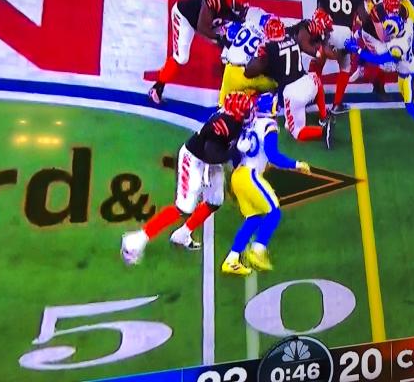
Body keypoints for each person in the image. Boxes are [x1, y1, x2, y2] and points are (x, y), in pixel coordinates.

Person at [121, 92, 253, 265]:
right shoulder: (223, 125)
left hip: (210, 158)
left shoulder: (231, 118)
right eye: (245, 111)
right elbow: (212, 155)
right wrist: (235, 151)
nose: (248, 114)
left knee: (215, 200)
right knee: (183, 207)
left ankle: (182, 235)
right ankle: (135, 240)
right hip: (194, 159)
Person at [222, 92, 311, 275]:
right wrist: (296, 164)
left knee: (253, 218)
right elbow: (273, 155)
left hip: (238, 175)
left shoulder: (249, 123)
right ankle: (258, 250)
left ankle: (231, 259)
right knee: (274, 212)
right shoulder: (269, 125)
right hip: (250, 175)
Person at [148, 0, 250, 103]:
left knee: (230, 50)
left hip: (212, 22)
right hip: (187, 18)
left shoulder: (233, 6)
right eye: (239, 4)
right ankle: (157, 87)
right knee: (181, 58)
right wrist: (220, 39)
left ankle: (230, 92)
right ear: (231, 0)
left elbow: (238, 24)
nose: (242, 7)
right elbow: (202, 27)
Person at [246, 15, 334, 148]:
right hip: (309, 83)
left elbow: (250, 72)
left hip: (293, 93)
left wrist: (258, 57)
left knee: (297, 133)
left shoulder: (269, 48)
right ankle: (324, 115)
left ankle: (322, 131)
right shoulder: (292, 39)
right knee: (315, 78)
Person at [314, 0, 364, 113]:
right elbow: (362, 16)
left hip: (329, 30)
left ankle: (315, 95)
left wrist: (320, 37)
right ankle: (337, 104)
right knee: (345, 67)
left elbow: (319, 12)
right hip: (345, 33)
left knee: (318, 61)